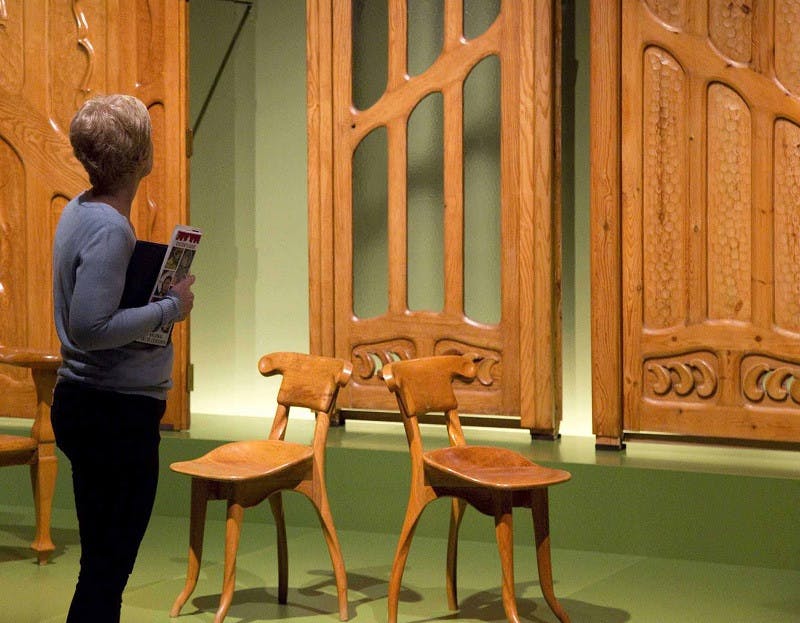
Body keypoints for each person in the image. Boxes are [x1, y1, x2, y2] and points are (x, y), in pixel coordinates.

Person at [50, 94, 195, 623]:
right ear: (140, 157)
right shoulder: (112, 229)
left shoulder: (79, 209)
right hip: (112, 416)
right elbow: (90, 328)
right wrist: (168, 308)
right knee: (107, 571)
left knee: (101, 565)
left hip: (87, 406)